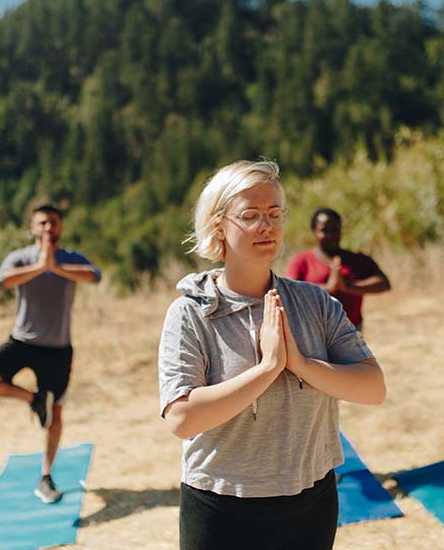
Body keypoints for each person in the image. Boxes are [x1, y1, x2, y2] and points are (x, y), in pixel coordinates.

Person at [158, 160, 386, 550]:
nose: (266, 225)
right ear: (219, 226)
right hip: (220, 506)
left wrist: (301, 364)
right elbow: (182, 418)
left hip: (310, 502)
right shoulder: (191, 312)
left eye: (274, 214)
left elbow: (373, 388)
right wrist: (267, 370)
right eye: (250, 215)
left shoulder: (315, 303)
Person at [0, 204, 101, 504]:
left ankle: (46, 475)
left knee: (57, 414)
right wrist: (40, 267)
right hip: (22, 342)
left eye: (53, 222)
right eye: (42, 223)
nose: (48, 228)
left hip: (58, 349)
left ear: (60, 227)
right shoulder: (20, 258)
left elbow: (94, 276)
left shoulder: (70, 258)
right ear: (32, 227)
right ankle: (32, 399)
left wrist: (56, 267)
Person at [285, 208, 390, 330]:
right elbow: (289, 290)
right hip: (313, 333)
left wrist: (349, 287)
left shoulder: (356, 260)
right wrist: (329, 287)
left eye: (335, 229)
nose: (330, 235)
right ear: (314, 231)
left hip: (351, 332)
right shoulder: (301, 261)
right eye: (324, 230)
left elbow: (384, 283)